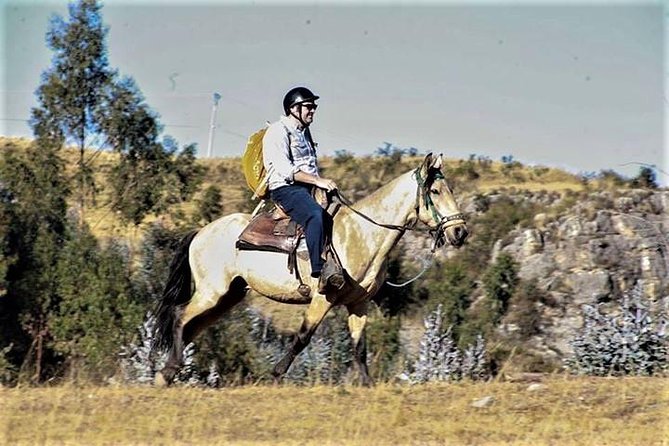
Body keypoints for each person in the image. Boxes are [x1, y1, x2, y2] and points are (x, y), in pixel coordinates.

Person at [262, 86, 344, 293]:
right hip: (286, 189)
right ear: (294, 108)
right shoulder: (277, 132)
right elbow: (286, 171)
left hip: (307, 187)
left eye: (314, 106)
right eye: (309, 106)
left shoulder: (304, 132)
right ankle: (319, 268)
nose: (313, 110)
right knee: (315, 214)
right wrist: (319, 181)